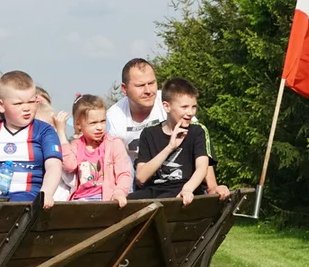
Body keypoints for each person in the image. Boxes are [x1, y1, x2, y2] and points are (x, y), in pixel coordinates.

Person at [107, 58, 230, 199]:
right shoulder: (113, 117)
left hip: (181, 179)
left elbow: (199, 149)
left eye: (152, 83)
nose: (148, 90)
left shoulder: (174, 101)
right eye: (140, 85)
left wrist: (212, 186)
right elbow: (110, 162)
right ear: (125, 89)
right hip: (137, 177)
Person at [0, 71, 63, 208]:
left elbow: (54, 166)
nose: (27, 108)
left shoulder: (45, 131)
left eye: (31, 101)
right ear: (1, 105)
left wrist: (46, 193)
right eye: (18, 104)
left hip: (29, 200)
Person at [129, 77, 209, 205]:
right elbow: (141, 177)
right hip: (155, 189)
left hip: (184, 187)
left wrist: (187, 189)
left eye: (193, 107)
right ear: (167, 106)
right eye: (184, 107)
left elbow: (202, 167)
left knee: (166, 201)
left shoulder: (197, 132)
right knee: (127, 203)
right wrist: (169, 147)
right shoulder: (149, 134)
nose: (190, 113)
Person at [54, 95, 131, 206]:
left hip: (106, 198)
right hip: (81, 200)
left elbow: (124, 174)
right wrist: (61, 132)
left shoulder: (114, 144)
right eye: (93, 123)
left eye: (103, 121)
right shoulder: (76, 145)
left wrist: (119, 193)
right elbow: (69, 166)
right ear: (78, 124)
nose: (99, 127)